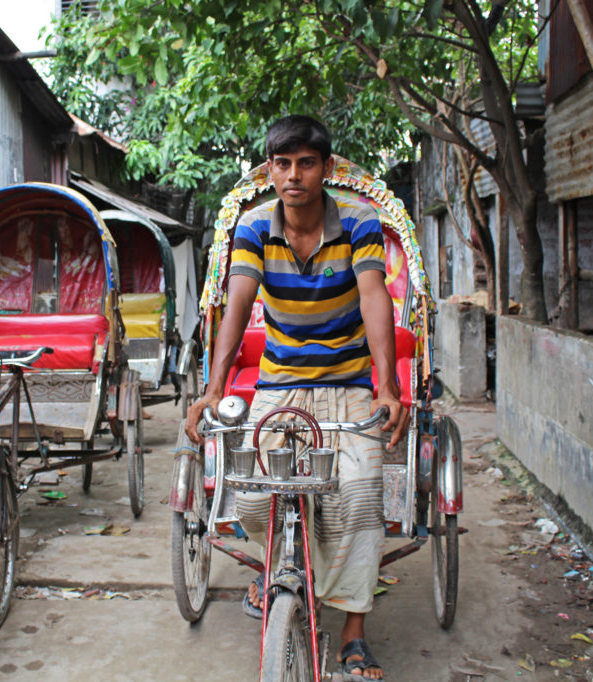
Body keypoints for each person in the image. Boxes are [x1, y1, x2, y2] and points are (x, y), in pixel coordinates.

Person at [185, 115, 407, 680]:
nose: (294, 175)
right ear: (270, 170)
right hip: (279, 386)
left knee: (357, 498)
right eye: (282, 164)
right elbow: (237, 306)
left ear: (325, 169)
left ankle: (354, 631)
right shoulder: (255, 227)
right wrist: (211, 390)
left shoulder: (358, 220)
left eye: (306, 163)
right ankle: (282, 567)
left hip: (349, 385)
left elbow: (374, 296)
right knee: (253, 498)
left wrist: (387, 385)